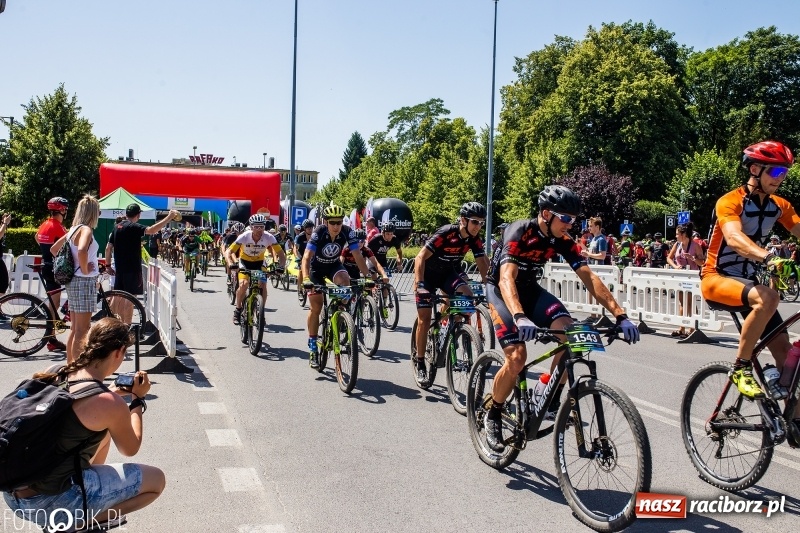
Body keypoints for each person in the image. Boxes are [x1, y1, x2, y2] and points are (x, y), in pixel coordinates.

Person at [483, 185, 640, 452]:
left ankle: (548, 395)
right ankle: (494, 413)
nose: (571, 225)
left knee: (572, 335)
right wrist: (520, 317)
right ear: (546, 214)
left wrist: (620, 315)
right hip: (501, 291)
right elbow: (506, 278)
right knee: (517, 357)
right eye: (565, 218)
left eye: (574, 220)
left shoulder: (562, 240)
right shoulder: (519, 231)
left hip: (530, 290)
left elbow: (590, 278)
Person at [3, 318, 165, 531]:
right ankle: (79, 523)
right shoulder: (108, 404)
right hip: (54, 503)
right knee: (156, 481)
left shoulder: (57, 371)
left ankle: (80, 504)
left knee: (103, 433)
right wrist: (136, 399)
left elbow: (76, 407)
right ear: (119, 352)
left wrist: (111, 392)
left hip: (13, 494)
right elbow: (130, 448)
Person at [700, 140, 800, 401]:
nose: (781, 178)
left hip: (748, 283)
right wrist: (768, 258)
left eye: (785, 173)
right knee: (769, 296)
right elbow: (734, 238)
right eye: (776, 172)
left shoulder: (779, 205)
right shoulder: (729, 201)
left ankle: (794, 422)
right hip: (717, 278)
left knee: (784, 352)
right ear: (755, 169)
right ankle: (741, 367)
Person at [413, 202, 489, 383]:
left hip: (448, 274)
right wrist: (420, 284)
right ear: (463, 220)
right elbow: (420, 257)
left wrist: (492, 289)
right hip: (428, 276)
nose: (478, 226)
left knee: (467, 294)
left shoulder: (474, 239)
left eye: (481, 223)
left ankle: (453, 327)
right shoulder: (446, 232)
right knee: (424, 318)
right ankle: (421, 362)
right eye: (475, 222)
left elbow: (482, 265)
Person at [301, 205, 370, 369]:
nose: (336, 226)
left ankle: (340, 316)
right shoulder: (319, 232)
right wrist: (305, 278)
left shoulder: (347, 231)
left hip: (333, 266)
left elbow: (358, 255)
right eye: (333, 222)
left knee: (345, 280)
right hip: (316, 270)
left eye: (339, 222)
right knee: (316, 306)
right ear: (326, 222)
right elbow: (306, 257)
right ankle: (312, 345)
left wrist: (367, 276)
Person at [105, 205, 180, 323]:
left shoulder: (117, 227)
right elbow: (152, 230)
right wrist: (169, 217)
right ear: (138, 215)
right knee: (130, 299)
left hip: (119, 268)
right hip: (132, 268)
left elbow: (108, 248)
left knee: (117, 296)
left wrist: (108, 265)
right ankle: (127, 327)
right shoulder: (133, 226)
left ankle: (112, 325)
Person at [50, 195, 101, 364]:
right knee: (82, 329)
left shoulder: (73, 229)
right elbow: (82, 250)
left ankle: (70, 365)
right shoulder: (86, 229)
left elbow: (54, 249)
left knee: (75, 328)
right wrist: (85, 268)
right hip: (83, 281)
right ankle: (78, 369)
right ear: (93, 213)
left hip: (73, 281)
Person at [224, 214, 286, 326]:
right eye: (256, 227)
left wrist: (281, 267)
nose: (259, 229)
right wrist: (231, 264)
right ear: (251, 227)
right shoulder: (244, 236)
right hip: (245, 263)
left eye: (261, 226)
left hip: (259, 263)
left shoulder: (269, 237)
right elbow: (229, 251)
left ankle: (261, 310)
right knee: (243, 284)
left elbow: (281, 254)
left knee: (262, 284)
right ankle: (238, 310)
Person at [36, 197, 69, 352]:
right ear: (61, 210)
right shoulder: (58, 227)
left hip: (46, 265)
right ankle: (51, 338)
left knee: (53, 304)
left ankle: (52, 337)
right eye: (65, 209)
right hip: (54, 268)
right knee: (53, 305)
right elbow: (69, 241)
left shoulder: (44, 224)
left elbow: (37, 237)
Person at [666, 222, 706, 337]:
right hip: (680, 276)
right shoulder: (677, 245)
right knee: (681, 303)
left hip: (691, 277)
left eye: (677, 234)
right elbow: (669, 258)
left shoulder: (695, 245)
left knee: (690, 303)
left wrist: (693, 258)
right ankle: (682, 328)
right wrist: (675, 266)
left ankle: (693, 328)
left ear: (684, 234)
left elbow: (702, 262)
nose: (676, 236)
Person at [294, 219, 315, 294]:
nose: (310, 230)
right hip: (302, 255)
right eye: (308, 228)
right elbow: (295, 248)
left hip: (311, 256)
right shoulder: (300, 236)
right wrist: (297, 257)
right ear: (305, 228)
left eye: (311, 228)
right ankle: (299, 289)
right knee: (300, 271)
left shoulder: (314, 236)